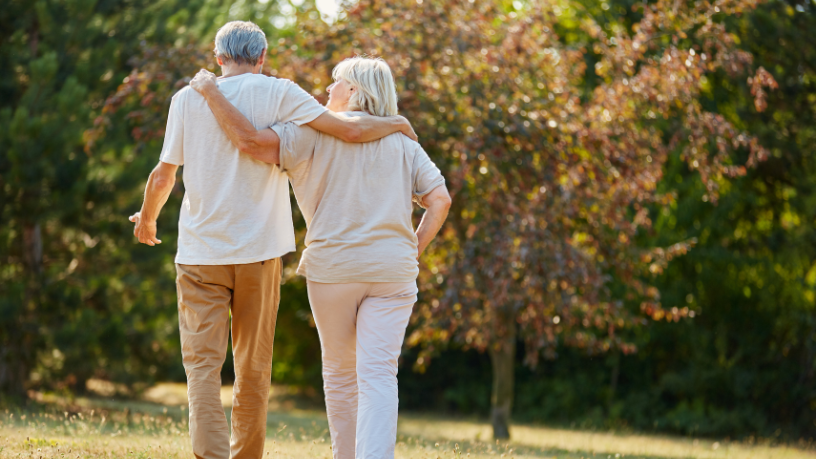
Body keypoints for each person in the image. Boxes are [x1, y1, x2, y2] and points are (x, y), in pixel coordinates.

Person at [128, 22, 417, 459]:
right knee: (253, 369)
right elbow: (350, 130)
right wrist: (397, 122)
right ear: (262, 56)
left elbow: (164, 174)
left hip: (200, 255)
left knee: (202, 369)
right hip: (260, 255)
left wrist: (146, 220)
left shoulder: (187, 99)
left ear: (217, 55)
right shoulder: (281, 92)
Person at [189, 56, 451, 459]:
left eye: (336, 82)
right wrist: (411, 250)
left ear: (354, 91)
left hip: (334, 271)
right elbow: (440, 200)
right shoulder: (405, 143)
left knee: (341, 374)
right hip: (393, 272)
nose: (327, 90)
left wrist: (210, 93)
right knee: (380, 374)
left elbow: (253, 143)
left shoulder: (308, 135)